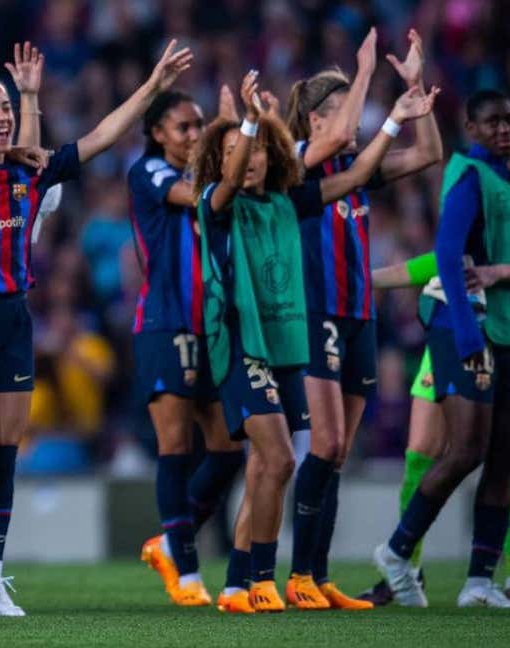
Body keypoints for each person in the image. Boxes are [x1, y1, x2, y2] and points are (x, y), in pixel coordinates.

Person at [0, 40, 193, 615]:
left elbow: (104, 135)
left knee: (6, 451)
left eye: (7, 107)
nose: (3, 115)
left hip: (15, 317)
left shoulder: (32, 170)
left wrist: (154, 84)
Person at [193, 70, 436, 614]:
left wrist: (397, 116)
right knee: (279, 459)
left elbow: (354, 179)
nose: (249, 159)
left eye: (254, 151)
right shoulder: (217, 200)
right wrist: (252, 120)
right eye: (238, 152)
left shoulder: (287, 200)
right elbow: (234, 175)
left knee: (275, 463)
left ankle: (244, 583)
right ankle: (261, 577)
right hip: (240, 344)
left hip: (287, 345)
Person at [282, 28, 443, 611]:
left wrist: (415, 90)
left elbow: (429, 155)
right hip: (317, 312)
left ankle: (319, 578)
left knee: (340, 451)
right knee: (322, 443)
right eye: (336, 109)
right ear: (313, 120)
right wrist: (368, 72)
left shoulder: (359, 167)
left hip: (359, 316)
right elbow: (350, 132)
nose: (348, 119)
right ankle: (300, 575)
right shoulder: (296, 166)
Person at [373, 89, 510, 610]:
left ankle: (479, 582)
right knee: (465, 449)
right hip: (466, 326)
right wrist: (465, 335)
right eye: (494, 122)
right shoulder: (470, 175)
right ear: (472, 127)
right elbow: (444, 252)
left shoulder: (507, 182)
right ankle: (396, 552)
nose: (505, 130)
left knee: (504, 455)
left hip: (508, 330)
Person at [125, 81, 246, 610]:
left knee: (229, 448)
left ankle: (173, 540)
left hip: (212, 325)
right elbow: (190, 196)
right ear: (157, 134)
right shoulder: (149, 171)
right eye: (186, 127)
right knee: (175, 448)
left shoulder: (215, 179)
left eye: (201, 126)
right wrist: (226, 137)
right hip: (165, 323)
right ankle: (189, 570)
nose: (195, 135)